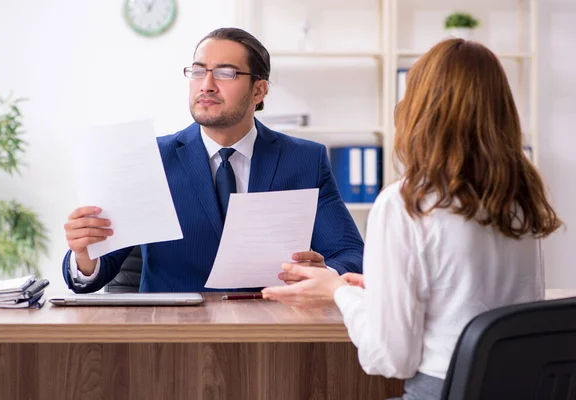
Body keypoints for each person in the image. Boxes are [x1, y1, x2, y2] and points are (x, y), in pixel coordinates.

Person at [262, 38, 563, 400]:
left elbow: (390, 359)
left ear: (420, 111)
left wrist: (338, 292)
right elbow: (472, 300)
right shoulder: (519, 199)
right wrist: (380, 292)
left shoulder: (407, 203)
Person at [61, 27, 364, 293]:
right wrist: (85, 254)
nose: (206, 84)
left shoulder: (303, 159)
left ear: (259, 90)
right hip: (170, 338)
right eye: (197, 71)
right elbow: (97, 270)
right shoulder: (151, 158)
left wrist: (322, 274)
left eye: (225, 72)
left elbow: (351, 254)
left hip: (270, 333)